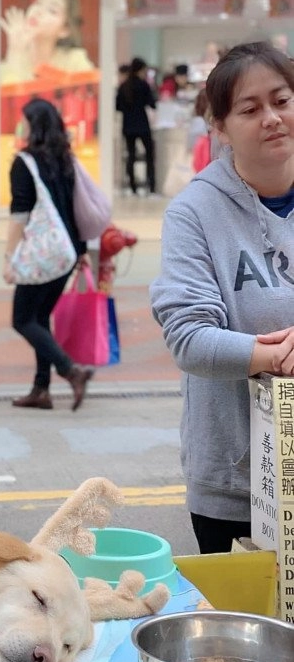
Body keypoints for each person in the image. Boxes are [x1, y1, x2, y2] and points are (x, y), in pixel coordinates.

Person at [150, 41, 294, 554]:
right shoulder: (194, 214)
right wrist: (277, 355)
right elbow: (190, 339)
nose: (272, 118)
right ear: (220, 127)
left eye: (282, 100)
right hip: (237, 487)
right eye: (250, 109)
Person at [2, 98, 93, 411]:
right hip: (66, 252)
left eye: (24, 119)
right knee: (40, 318)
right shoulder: (65, 158)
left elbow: (19, 215)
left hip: (44, 252)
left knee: (22, 319)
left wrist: (9, 257)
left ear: (35, 124)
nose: (21, 124)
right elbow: (73, 208)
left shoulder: (24, 162)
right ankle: (41, 390)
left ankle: (70, 370)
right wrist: (81, 251)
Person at [0, 0, 95, 86]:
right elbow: (9, 97)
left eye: (51, 10)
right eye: (38, 3)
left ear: (64, 30)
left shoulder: (74, 61)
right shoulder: (7, 63)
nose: (38, 11)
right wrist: (15, 51)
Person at [116, 56, 157, 195]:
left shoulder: (123, 86)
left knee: (131, 156)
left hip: (128, 126)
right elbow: (152, 103)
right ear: (141, 69)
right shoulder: (144, 85)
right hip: (142, 124)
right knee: (149, 155)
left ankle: (132, 186)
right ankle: (150, 185)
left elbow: (118, 107)